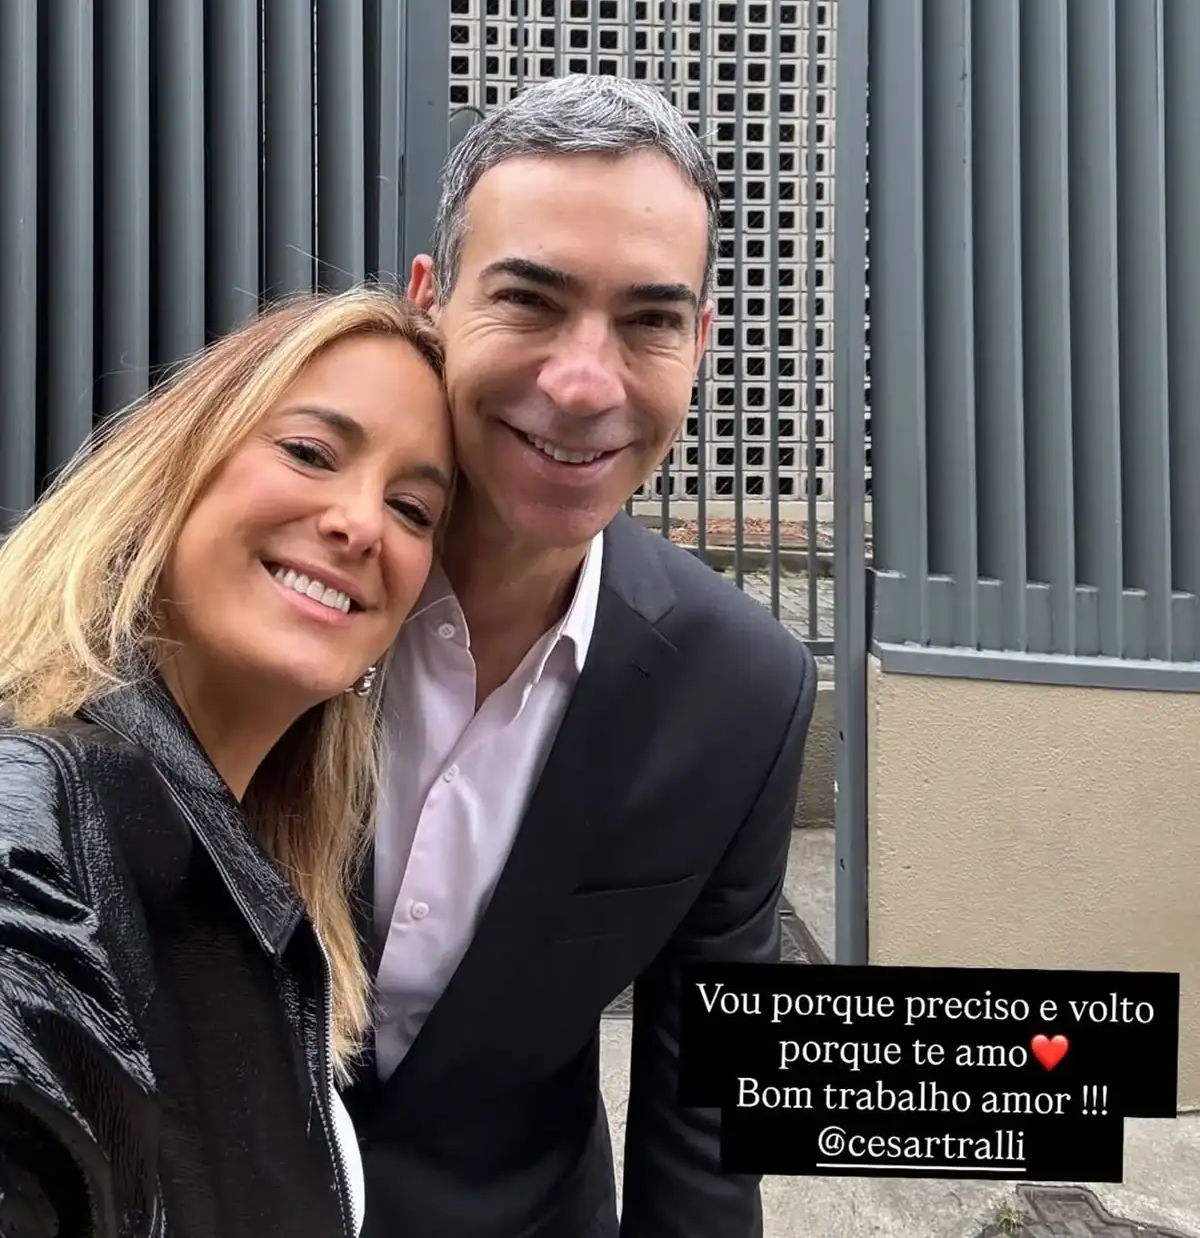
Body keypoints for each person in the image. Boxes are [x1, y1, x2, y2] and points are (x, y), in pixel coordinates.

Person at [348, 76, 818, 1238]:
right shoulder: (282, 583)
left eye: (650, 321)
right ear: (431, 301)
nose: (582, 383)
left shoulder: (742, 692)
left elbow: (705, 1122)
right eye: (529, 300)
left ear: (699, 343)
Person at [0, 290, 453, 1238]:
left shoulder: (249, 861)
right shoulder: (34, 831)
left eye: (412, 508)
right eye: (311, 453)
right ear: (175, 470)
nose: (361, 523)